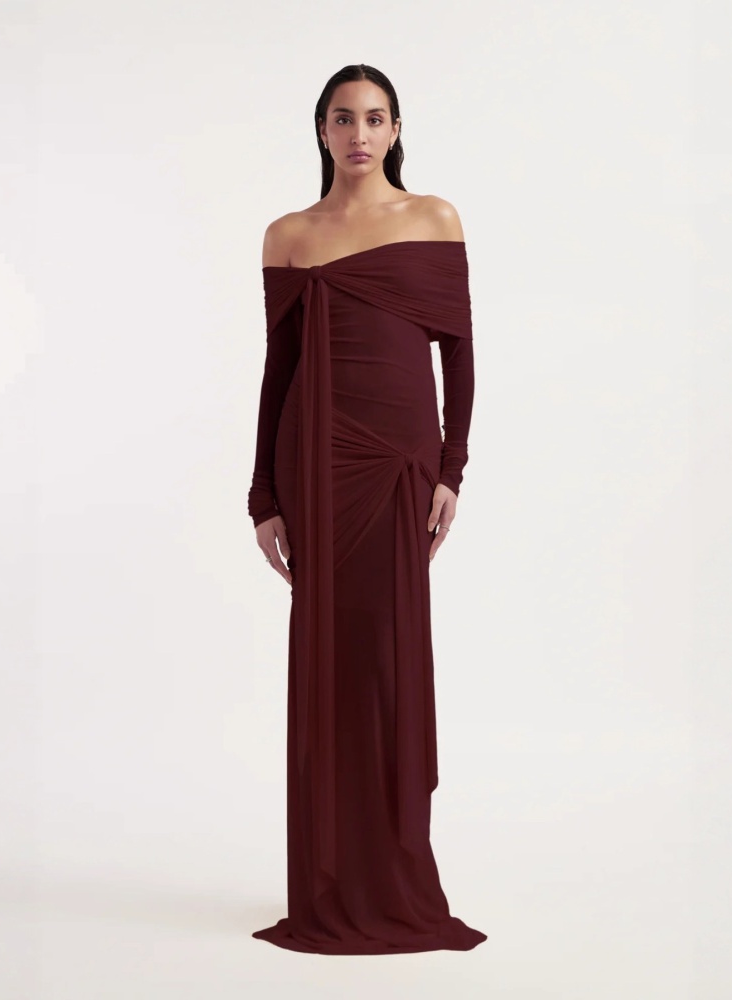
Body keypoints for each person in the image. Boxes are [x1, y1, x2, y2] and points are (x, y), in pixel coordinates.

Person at [246, 63, 486, 954]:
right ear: (321, 130)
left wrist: (451, 467)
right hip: (314, 461)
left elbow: (459, 353)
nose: (359, 133)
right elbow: (278, 371)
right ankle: (330, 879)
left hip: (396, 464)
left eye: (375, 118)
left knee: (386, 658)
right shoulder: (288, 235)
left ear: (395, 130)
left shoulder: (433, 217)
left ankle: (392, 872)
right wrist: (263, 493)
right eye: (343, 118)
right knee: (329, 659)